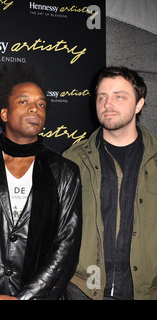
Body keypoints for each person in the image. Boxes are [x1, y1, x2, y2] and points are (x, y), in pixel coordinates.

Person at [0, 64, 82, 300]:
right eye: (24, 101)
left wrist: (27, 298)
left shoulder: (65, 171)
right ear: (4, 113)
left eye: (41, 104)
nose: (34, 109)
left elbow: (66, 246)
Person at [63, 66, 157, 300]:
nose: (107, 103)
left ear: (139, 104)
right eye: (102, 97)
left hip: (145, 293)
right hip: (82, 290)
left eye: (119, 96)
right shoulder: (72, 159)